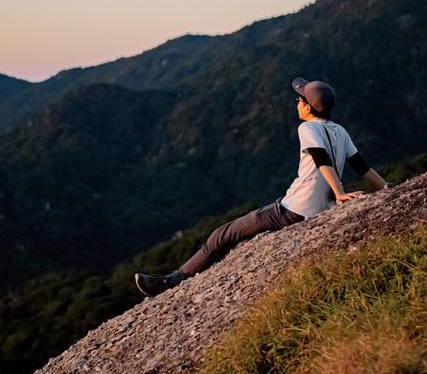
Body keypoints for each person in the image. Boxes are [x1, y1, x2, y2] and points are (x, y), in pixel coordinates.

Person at [134, 76, 388, 296]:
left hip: (293, 210)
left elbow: (321, 160)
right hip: (317, 206)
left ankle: (172, 280)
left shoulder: (307, 128)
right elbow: (361, 166)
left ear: (308, 107)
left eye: (299, 100)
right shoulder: (340, 130)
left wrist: (340, 192)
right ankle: (176, 277)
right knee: (247, 222)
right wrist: (387, 188)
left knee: (222, 234)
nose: (296, 103)